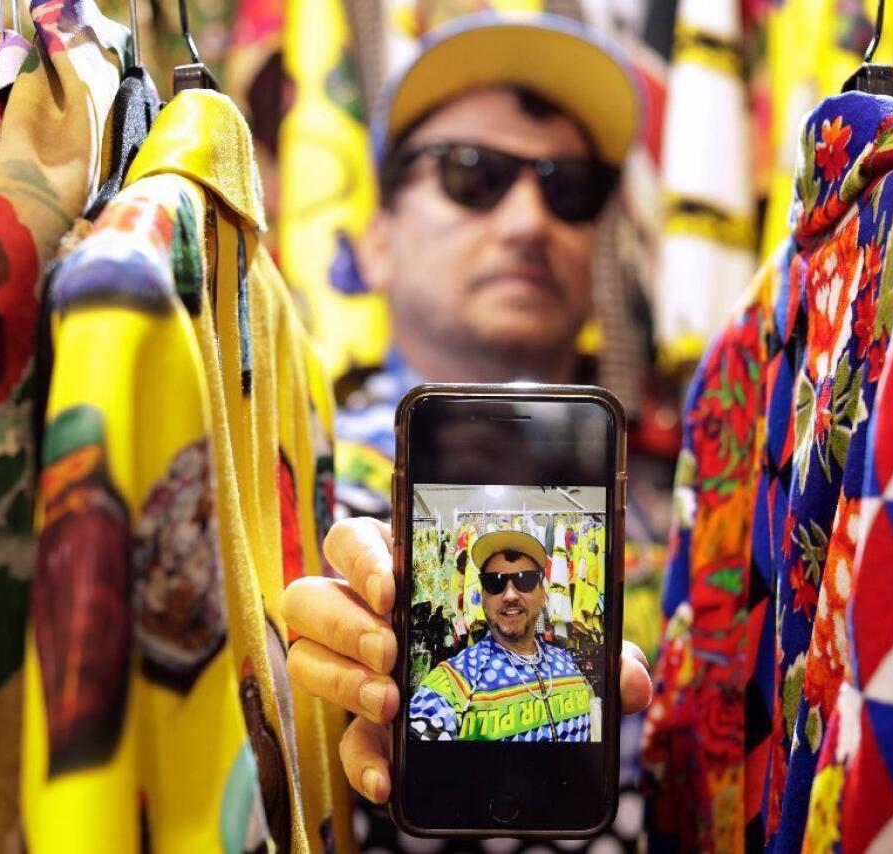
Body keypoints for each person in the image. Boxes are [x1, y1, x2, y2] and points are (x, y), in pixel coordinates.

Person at [283, 9, 658, 816]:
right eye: (471, 173)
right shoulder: (285, 487)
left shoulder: (688, 512)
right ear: (375, 239)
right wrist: (301, 702)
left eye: (570, 188)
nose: (528, 223)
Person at [409, 532, 595, 742]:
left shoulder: (569, 664)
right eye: (494, 582)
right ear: (482, 598)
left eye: (524, 580)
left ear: (544, 594)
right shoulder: (456, 681)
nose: (510, 595)